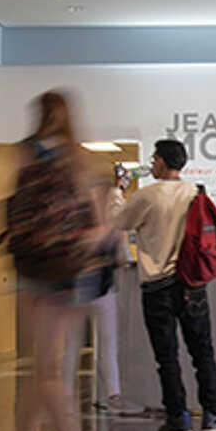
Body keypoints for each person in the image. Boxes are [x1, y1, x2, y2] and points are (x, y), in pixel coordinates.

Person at [0, 91, 107, 431]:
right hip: (73, 272)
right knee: (44, 372)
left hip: (35, 273)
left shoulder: (26, 151)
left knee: (44, 372)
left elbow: (16, 209)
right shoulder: (80, 159)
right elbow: (100, 226)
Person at [118, 139, 216, 431]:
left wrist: (118, 190)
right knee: (203, 353)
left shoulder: (147, 196)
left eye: (154, 158)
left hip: (157, 286)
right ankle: (213, 417)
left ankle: (178, 419)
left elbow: (119, 221)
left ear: (162, 161)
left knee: (166, 357)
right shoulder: (194, 192)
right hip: (192, 283)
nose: (152, 163)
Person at [90, 165, 137, 414]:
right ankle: (112, 395)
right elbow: (121, 255)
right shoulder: (110, 225)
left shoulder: (82, 225)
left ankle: (111, 394)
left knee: (103, 342)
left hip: (94, 288)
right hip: (101, 287)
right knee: (108, 342)